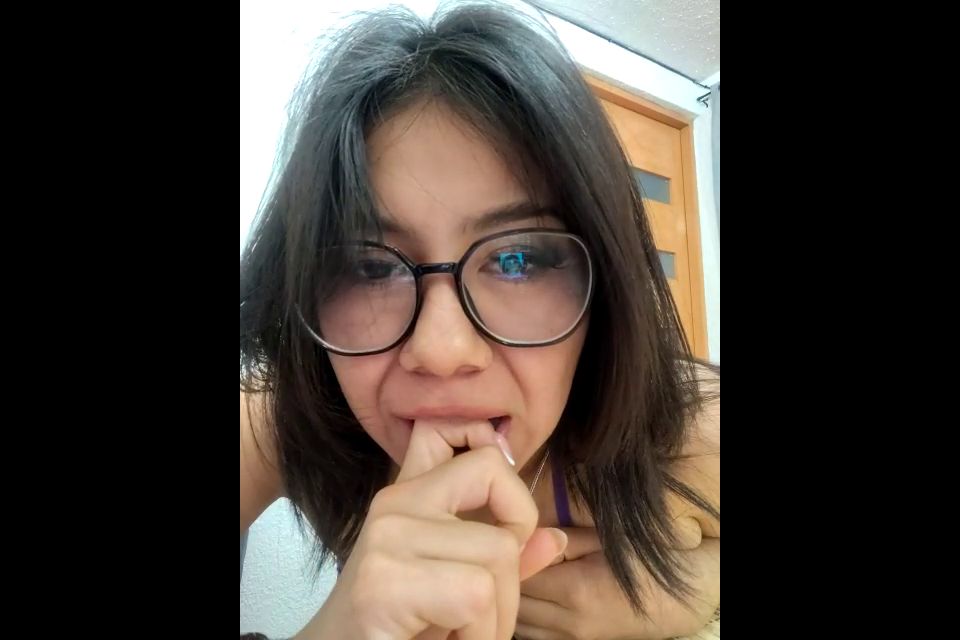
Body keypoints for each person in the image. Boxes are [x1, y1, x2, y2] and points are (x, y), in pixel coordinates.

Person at [240, 3, 719, 639]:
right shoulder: (286, 414)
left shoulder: (690, 428)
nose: (442, 350)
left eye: (518, 259)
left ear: (606, 289)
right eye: (368, 268)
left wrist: (695, 586)